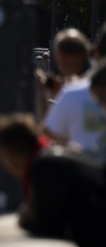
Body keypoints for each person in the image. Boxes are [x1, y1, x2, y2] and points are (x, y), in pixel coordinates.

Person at [0, 113, 106, 247]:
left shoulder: (44, 166)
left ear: (10, 153)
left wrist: (25, 221)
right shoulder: (49, 156)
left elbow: (49, 225)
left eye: (3, 157)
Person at [42, 25, 106, 158]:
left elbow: (48, 133)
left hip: (88, 174)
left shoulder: (75, 92)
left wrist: (40, 96)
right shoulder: (75, 91)